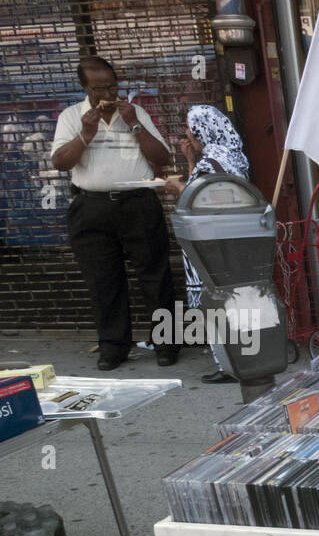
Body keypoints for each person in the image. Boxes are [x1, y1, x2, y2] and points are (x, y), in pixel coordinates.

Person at [50, 55, 180, 370]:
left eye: (112, 86)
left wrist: (134, 124)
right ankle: (113, 347)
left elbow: (161, 155)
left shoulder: (134, 112)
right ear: (84, 87)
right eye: (98, 89)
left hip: (137, 202)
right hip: (90, 207)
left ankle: (167, 344)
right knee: (103, 280)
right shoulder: (71, 117)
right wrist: (85, 134)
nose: (107, 94)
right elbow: (60, 163)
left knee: (155, 275)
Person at [163, 105, 252, 385]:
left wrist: (176, 189)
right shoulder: (229, 156)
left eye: (190, 127)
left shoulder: (211, 162)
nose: (187, 133)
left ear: (202, 129)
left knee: (214, 305)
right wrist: (190, 159)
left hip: (209, 246)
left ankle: (228, 365)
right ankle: (244, 358)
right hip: (229, 242)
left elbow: (198, 199)